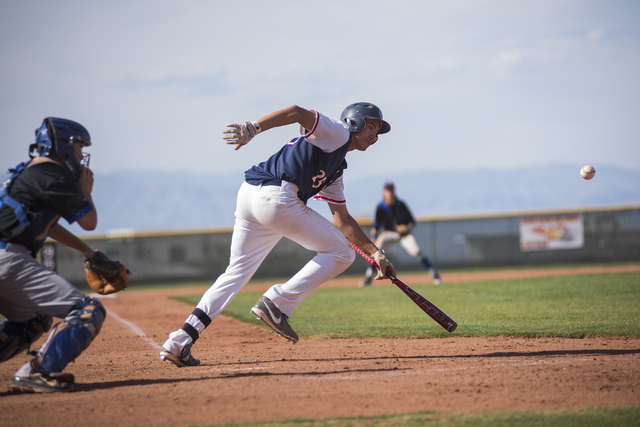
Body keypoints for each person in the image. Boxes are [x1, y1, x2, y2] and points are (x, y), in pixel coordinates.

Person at [160, 102, 397, 367]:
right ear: (355, 122)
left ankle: (180, 341)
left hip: (251, 195)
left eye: (378, 132)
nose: (375, 136)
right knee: (341, 253)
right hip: (276, 197)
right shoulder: (338, 133)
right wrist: (254, 128)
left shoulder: (336, 167)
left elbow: (343, 219)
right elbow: (297, 111)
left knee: (236, 272)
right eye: (372, 127)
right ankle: (277, 303)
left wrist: (376, 254)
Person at [0, 118, 107, 393]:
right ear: (61, 145)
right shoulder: (52, 173)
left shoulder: (34, 172)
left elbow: (48, 225)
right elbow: (89, 221)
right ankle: (37, 372)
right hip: (8, 259)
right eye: (78, 147)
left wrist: (86, 250)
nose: (81, 155)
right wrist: (86, 193)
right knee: (88, 309)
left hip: (6, 257)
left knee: (34, 319)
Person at [360, 182, 442, 286]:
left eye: (391, 190)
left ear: (394, 192)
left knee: (416, 251)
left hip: (404, 234)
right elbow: (376, 226)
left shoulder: (400, 205)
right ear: (383, 192)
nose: (389, 193)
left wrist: (406, 228)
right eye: (387, 190)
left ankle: (434, 274)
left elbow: (412, 222)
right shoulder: (381, 207)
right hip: (388, 233)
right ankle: (368, 277)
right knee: (375, 250)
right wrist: (373, 238)